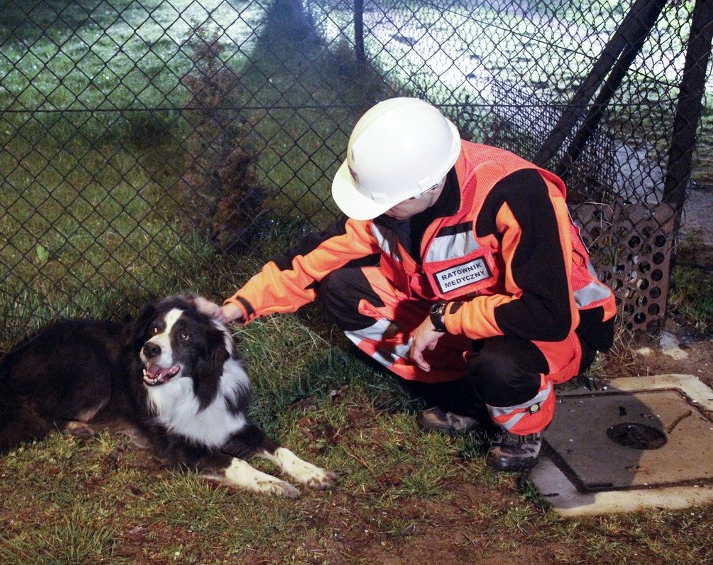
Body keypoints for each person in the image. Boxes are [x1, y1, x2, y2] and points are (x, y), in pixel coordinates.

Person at [208, 97, 616, 472]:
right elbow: (308, 261)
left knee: (501, 366)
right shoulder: (393, 199)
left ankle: (522, 427)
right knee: (344, 290)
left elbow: (548, 314)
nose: (377, 211)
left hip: (560, 326)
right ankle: (467, 398)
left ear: (432, 186)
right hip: (458, 312)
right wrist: (236, 308)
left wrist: (446, 318)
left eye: (387, 202)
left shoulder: (515, 192)